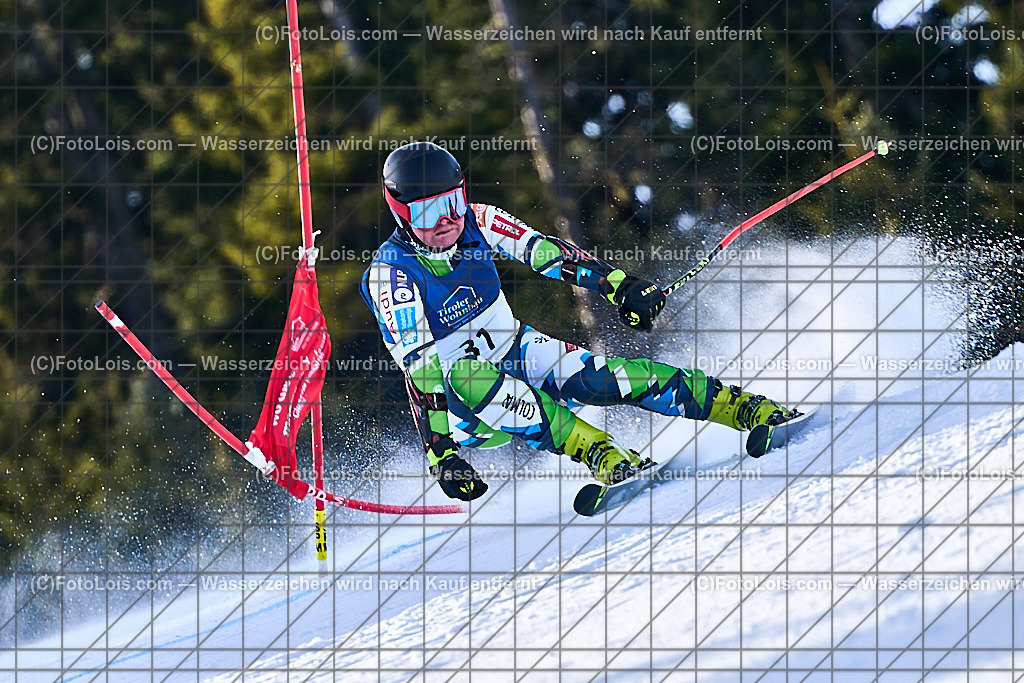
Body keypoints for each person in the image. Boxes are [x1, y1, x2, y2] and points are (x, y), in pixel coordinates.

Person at [360, 142, 798, 502]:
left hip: (515, 349)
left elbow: (546, 253)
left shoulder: (478, 220)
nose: (447, 221)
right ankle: (598, 452)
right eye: (427, 212)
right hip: (462, 406)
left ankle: (742, 407)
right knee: (466, 374)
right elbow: (423, 371)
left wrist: (619, 285)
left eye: (453, 203)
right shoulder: (391, 276)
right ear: (400, 213)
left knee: (604, 379)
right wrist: (442, 454)